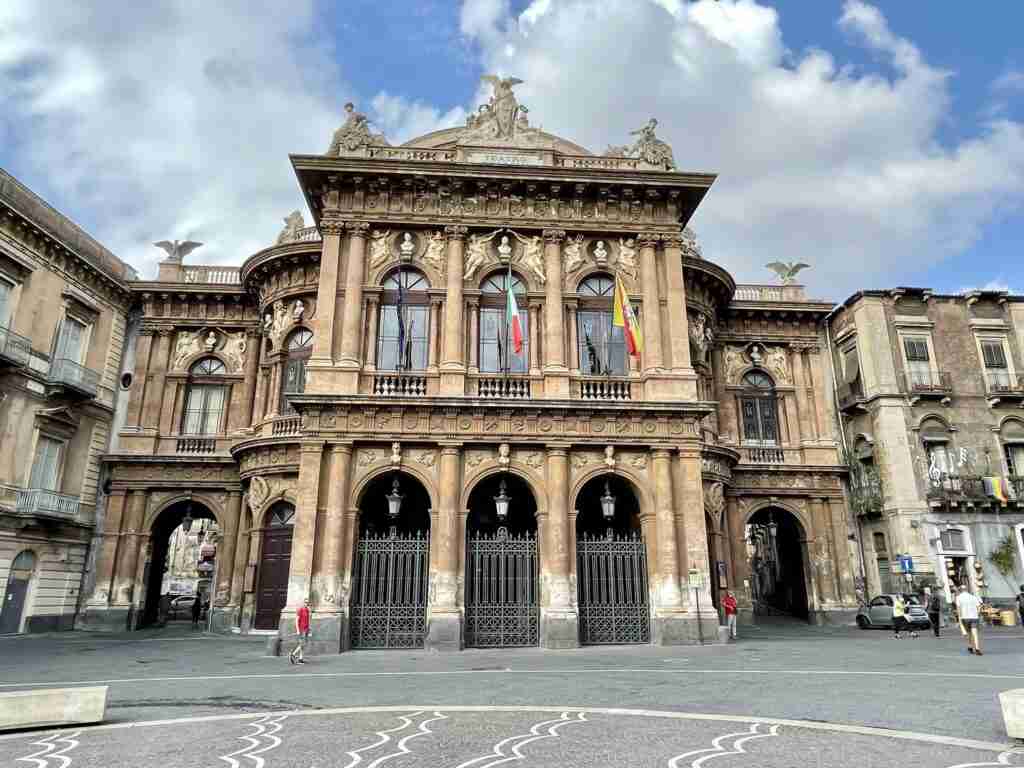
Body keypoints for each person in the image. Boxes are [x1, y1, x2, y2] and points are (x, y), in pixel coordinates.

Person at [955, 585, 983, 656]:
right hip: (974, 617)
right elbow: (979, 607)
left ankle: (970, 646)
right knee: (975, 633)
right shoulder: (973, 597)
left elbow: (958, 609)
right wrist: (978, 613)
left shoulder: (958, 597)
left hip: (965, 617)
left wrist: (959, 619)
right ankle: (977, 649)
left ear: (960, 590)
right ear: (966, 589)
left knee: (969, 633)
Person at [290, 599, 311, 665]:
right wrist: (298, 630)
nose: (307, 604)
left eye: (308, 602)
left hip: (306, 629)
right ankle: (293, 654)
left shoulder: (307, 610)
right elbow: (296, 620)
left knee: (304, 644)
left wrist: (309, 629)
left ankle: (300, 659)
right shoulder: (300, 610)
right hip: (301, 629)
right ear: (303, 603)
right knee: (302, 644)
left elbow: (308, 620)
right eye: (305, 602)